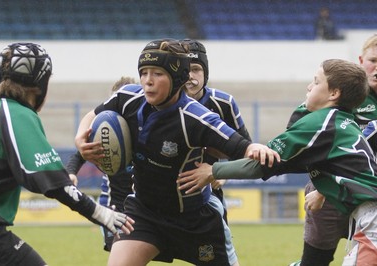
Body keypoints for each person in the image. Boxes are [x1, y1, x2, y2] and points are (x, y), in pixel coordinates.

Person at [74, 39, 278, 266]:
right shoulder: (128, 98)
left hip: (195, 221)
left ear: (177, 78)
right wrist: (80, 137)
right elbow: (93, 115)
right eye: (144, 73)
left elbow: (243, 148)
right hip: (144, 213)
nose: (148, 81)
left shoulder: (196, 117)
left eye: (157, 74)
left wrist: (223, 166)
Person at [178, 58, 377, 266]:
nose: (309, 86)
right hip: (366, 217)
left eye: (316, 82)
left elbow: (263, 162)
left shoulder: (320, 122)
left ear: (334, 94)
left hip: (372, 219)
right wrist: (323, 190)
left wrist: (213, 170)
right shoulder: (345, 122)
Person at [0, 43, 134, 265]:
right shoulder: (17, 114)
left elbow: (41, 176)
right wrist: (102, 214)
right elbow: (53, 184)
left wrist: (60, 177)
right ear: (40, 84)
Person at [286, 34, 377, 266]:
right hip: (328, 194)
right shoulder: (341, 95)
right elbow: (304, 143)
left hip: (371, 197)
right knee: (315, 261)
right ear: (360, 60)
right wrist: (323, 189)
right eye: (373, 60)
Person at [182, 38, 252, 223]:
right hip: (165, 195)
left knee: (215, 251)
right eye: (185, 69)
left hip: (209, 195)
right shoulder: (160, 103)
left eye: (196, 69)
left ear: (206, 73)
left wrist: (221, 173)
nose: (190, 75)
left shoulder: (224, 103)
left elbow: (246, 153)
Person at [66, 76, 136, 251]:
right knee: (120, 255)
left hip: (143, 203)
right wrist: (71, 173)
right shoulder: (106, 132)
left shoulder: (143, 127)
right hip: (114, 204)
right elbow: (81, 153)